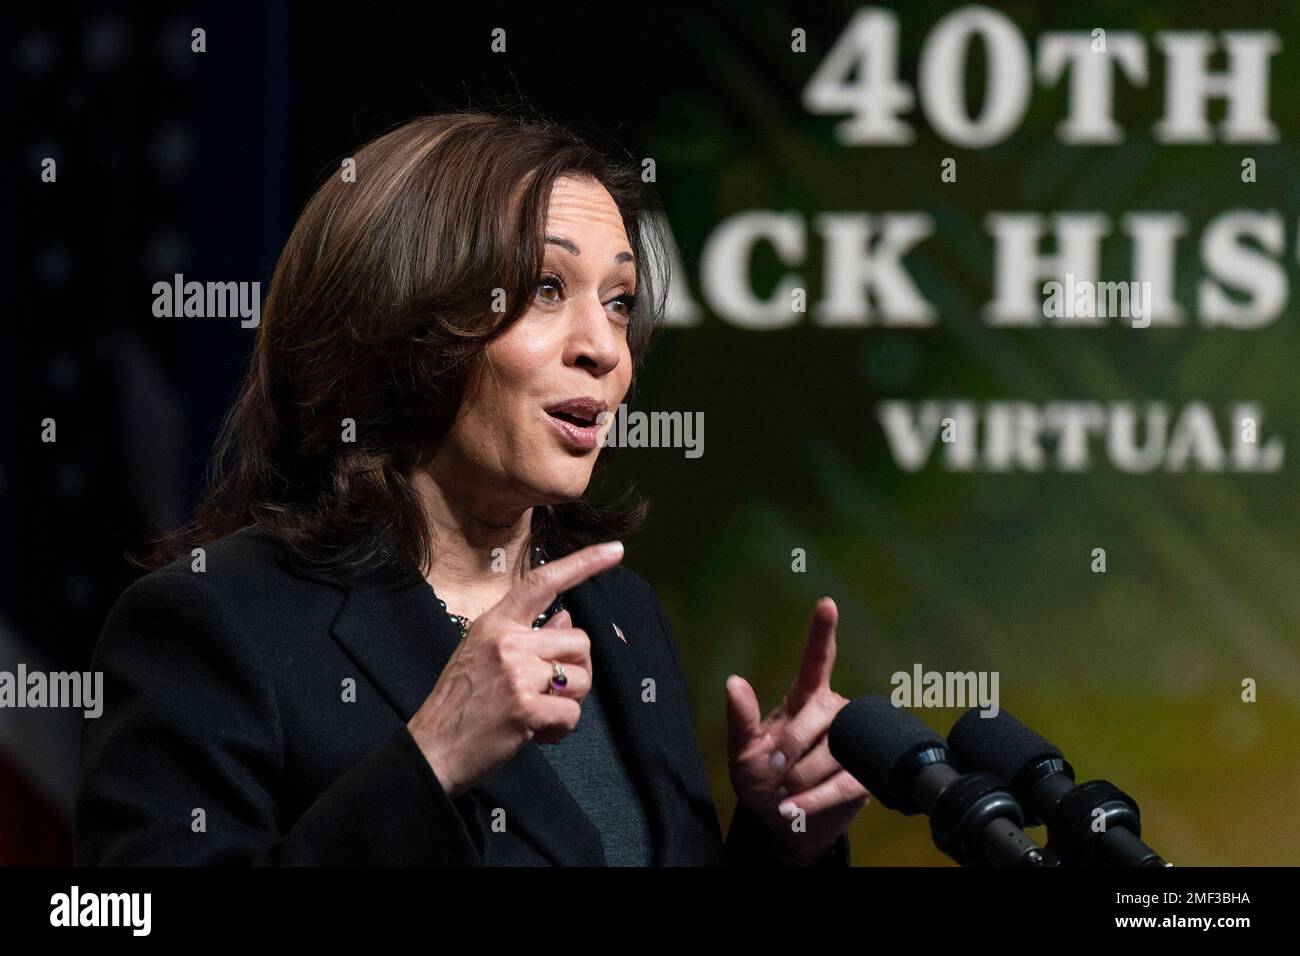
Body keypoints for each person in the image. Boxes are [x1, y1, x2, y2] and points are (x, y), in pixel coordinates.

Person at [75, 111, 869, 866]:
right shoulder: (215, 625)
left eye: (620, 302)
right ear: (401, 316)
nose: (604, 349)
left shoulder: (621, 616)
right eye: (545, 289)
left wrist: (780, 839)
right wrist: (433, 760)